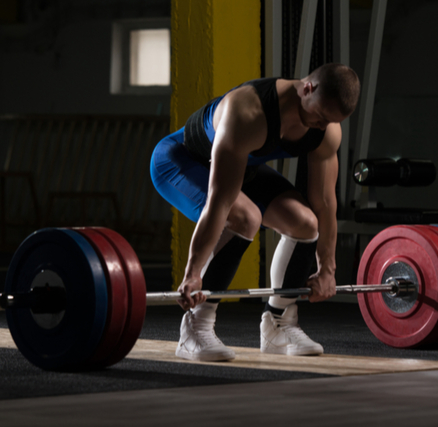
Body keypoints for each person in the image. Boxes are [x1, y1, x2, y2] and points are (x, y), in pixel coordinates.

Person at [150, 63, 360, 361]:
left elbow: (325, 203)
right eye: (320, 116)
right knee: (245, 217)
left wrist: (327, 268)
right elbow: (219, 202)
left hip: (241, 169)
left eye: (329, 122)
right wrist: (193, 273)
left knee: (305, 223)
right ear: (307, 88)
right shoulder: (248, 111)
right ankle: (195, 328)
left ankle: (278, 324)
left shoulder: (325, 130)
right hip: (180, 162)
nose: (320, 125)